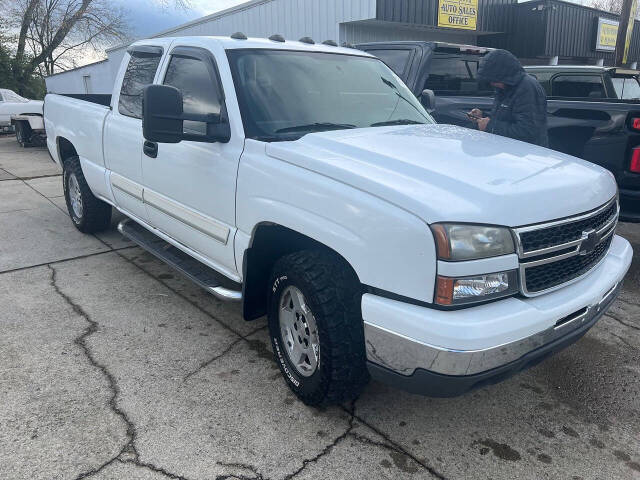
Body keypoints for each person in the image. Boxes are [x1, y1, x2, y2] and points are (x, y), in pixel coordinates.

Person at [469, 49, 548, 147]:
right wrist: (482, 117)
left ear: (505, 74)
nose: (492, 83)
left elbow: (528, 131)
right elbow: (505, 117)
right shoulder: (505, 87)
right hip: (510, 151)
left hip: (527, 155)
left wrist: (490, 126)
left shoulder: (527, 88)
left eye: (494, 80)